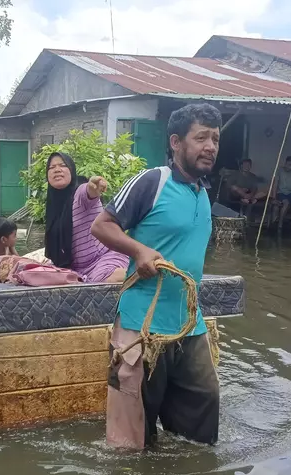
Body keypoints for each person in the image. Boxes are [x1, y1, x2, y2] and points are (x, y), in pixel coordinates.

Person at [92, 103, 221, 449]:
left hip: (190, 327)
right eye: (201, 137)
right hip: (141, 328)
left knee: (200, 428)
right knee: (130, 442)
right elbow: (101, 226)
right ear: (176, 142)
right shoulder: (152, 181)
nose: (210, 146)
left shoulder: (203, 193)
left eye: (215, 139)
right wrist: (139, 251)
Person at [44, 152, 128, 283]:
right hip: (75, 268)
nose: (57, 170)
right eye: (51, 167)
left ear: (71, 170)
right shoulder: (53, 206)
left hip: (103, 259)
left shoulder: (79, 194)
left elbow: (88, 192)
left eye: (62, 165)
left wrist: (93, 186)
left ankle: (140, 273)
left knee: (102, 279)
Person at [271, 155, 291, 228]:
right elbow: (275, 184)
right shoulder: (279, 170)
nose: (289, 166)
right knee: (286, 203)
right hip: (281, 193)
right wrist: (274, 197)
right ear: (285, 163)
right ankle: (280, 223)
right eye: (288, 164)